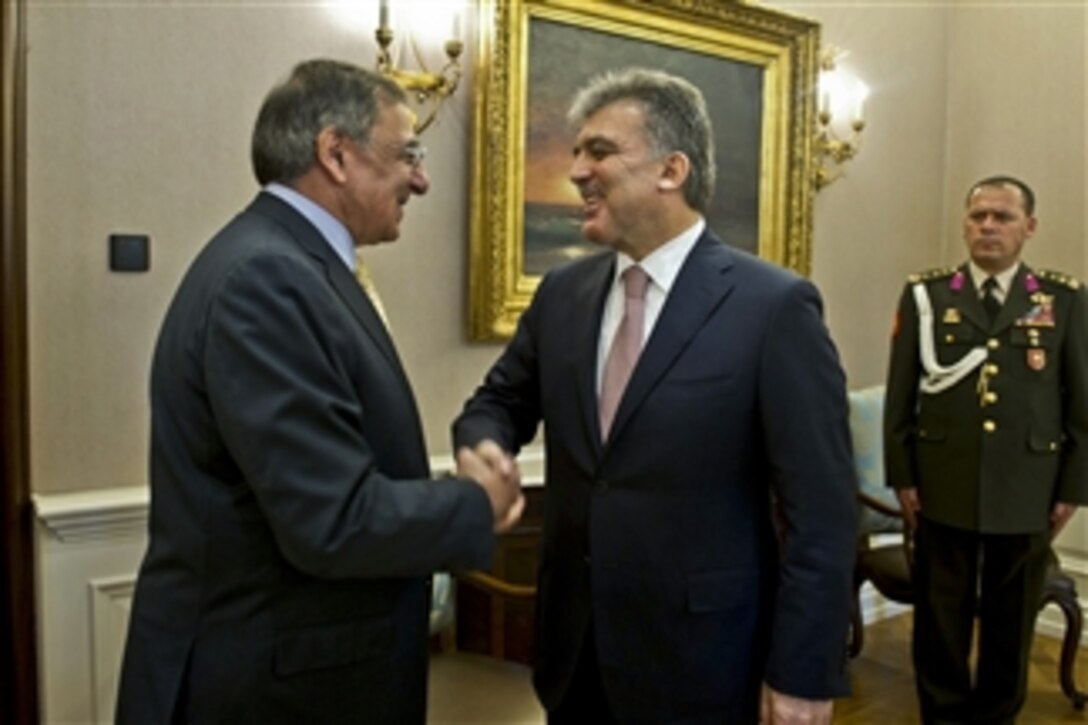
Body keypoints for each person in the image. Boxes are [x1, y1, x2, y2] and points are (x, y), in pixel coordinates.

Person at [115, 59, 522, 724]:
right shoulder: (267, 279)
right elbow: (330, 518)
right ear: (336, 152)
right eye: (408, 153)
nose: (420, 178)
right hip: (270, 688)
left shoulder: (292, 264)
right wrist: (475, 502)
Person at [453, 67, 857, 724]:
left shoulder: (772, 307)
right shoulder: (563, 296)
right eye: (577, 151)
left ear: (672, 170)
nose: (577, 170)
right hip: (572, 656)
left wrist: (803, 672)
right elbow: (496, 402)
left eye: (600, 151)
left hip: (704, 665)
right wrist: (483, 447)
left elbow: (823, 512)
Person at [884, 175, 1088, 723]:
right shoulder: (927, 295)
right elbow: (900, 397)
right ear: (965, 224)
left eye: (1002, 216)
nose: (989, 227)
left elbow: (1081, 407)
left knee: (1012, 622)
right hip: (942, 483)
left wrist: (1072, 489)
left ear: (1029, 227)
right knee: (939, 621)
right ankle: (944, 715)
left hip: (1028, 487)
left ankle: (998, 714)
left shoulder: (1062, 300)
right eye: (979, 217)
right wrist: (902, 477)